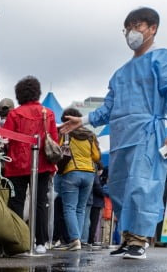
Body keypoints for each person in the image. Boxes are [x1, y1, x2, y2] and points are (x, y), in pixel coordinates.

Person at [61, 7, 167, 260]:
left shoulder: (163, 59)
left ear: (153, 28)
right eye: (128, 27)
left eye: (138, 25)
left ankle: (140, 240)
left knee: (142, 185)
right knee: (120, 187)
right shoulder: (120, 73)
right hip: (121, 136)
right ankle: (129, 235)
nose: (132, 32)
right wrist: (84, 119)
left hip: (146, 133)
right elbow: (109, 108)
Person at [2, 76, 57, 254]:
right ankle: (40, 242)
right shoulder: (48, 113)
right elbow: (54, 140)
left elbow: (6, 139)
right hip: (42, 164)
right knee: (40, 202)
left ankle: (19, 241)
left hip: (17, 164)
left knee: (16, 202)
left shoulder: (14, 114)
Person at [56, 107, 101, 251]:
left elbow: (57, 151)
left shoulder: (65, 133)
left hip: (71, 172)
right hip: (89, 174)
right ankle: (79, 239)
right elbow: (96, 157)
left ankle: (74, 240)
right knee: (81, 209)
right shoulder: (91, 135)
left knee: (69, 207)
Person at [88, 162, 106, 245]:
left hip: (93, 202)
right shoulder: (96, 177)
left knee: (91, 222)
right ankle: (90, 239)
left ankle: (90, 239)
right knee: (93, 223)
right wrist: (104, 193)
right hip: (96, 202)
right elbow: (98, 189)